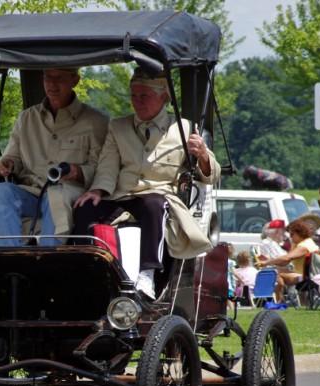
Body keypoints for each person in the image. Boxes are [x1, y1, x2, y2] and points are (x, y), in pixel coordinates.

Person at [71, 67, 218, 299]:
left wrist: (202, 155)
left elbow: (210, 175)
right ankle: (85, 273)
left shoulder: (184, 128)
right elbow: (108, 165)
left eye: (144, 96)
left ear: (164, 97)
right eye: (133, 96)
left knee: (153, 204)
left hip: (159, 198)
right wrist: (97, 190)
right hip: (122, 196)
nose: (137, 102)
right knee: (84, 208)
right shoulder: (118, 126)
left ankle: (147, 274)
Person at [0, 67, 109, 245]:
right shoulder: (26, 118)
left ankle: (49, 258)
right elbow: (12, 157)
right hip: (31, 191)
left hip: (68, 193)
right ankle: (5, 258)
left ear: (75, 80)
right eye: (47, 77)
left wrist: (78, 172)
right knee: (2, 191)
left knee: (55, 196)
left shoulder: (96, 121)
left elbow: (102, 167)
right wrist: (6, 164)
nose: (52, 84)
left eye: (59, 77)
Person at [257, 218, 319, 303]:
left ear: (298, 233)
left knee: (277, 275)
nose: (290, 237)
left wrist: (267, 262)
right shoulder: (308, 242)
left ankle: (279, 302)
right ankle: (297, 302)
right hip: (309, 275)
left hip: (306, 276)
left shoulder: (304, 246)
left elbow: (286, 258)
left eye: (292, 234)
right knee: (279, 273)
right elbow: (285, 261)